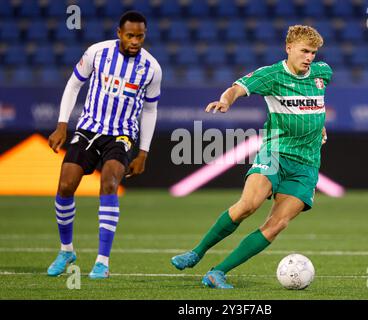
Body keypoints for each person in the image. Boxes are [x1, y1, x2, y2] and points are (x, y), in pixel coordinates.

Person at [171, 25, 331, 288]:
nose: (309, 57)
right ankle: (196, 252)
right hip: (275, 151)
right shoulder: (271, 75)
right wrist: (225, 101)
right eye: (304, 51)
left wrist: (318, 122)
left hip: (307, 163)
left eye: (313, 52)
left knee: (277, 224)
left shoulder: (323, 73)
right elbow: (237, 88)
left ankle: (218, 272)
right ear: (288, 48)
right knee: (249, 204)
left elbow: (317, 101)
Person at [47, 11, 162, 279]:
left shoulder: (151, 68)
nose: (135, 41)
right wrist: (62, 124)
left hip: (122, 135)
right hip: (89, 128)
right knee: (65, 185)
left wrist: (143, 152)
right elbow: (74, 84)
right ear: (119, 33)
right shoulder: (96, 53)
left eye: (140, 36)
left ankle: (102, 262)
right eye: (131, 35)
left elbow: (149, 111)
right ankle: (66, 250)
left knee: (109, 182)